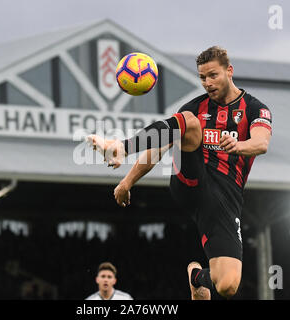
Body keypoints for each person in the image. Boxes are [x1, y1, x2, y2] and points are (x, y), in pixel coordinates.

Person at [87, 46, 272, 300]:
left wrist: (239, 145)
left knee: (227, 285)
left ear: (229, 71)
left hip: (224, 199)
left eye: (213, 75)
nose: (207, 83)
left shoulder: (254, 108)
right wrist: (127, 181)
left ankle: (196, 278)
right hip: (190, 181)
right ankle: (121, 146)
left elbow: (261, 143)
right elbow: (158, 147)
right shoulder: (195, 108)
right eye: (202, 78)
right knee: (188, 122)